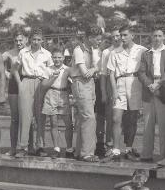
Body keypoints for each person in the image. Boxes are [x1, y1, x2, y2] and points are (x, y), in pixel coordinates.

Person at [107, 25, 147, 159]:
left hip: (135, 83)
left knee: (132, 119)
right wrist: (114, 91)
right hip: (120, 83)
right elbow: (111, 74)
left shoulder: (142, 50)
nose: (122, 38)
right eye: (121, 35)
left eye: (125, 35)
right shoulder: (114, 52)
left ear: (132, 36)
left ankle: (129, 149)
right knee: (116, 118)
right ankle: (116, 150)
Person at [139, 28, 165, 164]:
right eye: (154, 35)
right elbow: (141, 72)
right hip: (149, 91)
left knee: (164, 125)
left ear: (164, 37)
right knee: (148, 124)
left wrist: (159, 83)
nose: (157, 38)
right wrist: (150, 85)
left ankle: (164, 155)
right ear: (151, 37)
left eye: (160, 36)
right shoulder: (146, 54)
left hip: (163, 90)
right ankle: (147, 154)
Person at [17, 30, 53, 157]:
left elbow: (52, 70)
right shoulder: (23, 52)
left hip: (41, 83)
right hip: (26, 82)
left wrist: (47, 82)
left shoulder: (47, 54)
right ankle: (22, 147)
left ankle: (40, 147)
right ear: (30, 40)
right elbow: (15, 70)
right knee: (25, 117)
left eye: (39, 39)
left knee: (40, 116)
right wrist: (20, 84)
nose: (36, 42)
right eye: (34, 39)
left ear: (42, 40)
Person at [68, 28, 100, 162]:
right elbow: (84, 72)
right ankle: (87, 153)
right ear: (89, 37)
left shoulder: (93, 50)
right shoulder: (78, 49)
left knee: (83, 118)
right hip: (80, 83)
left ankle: (79, 151)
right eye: (97, 38)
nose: (99, 41)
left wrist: (94, 69)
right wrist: (94, 69)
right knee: (89, 117)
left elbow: (96, 69)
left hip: (90, 84)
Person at [39, 49, 73, 157]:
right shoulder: (48, 69)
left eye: (59, 57)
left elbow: (73, 83)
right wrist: (53, 77)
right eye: (55, 57)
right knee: (54, 123)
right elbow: (44, 85)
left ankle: (69, 149)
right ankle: (56, 148)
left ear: (63, 58)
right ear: (52, 58)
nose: (57, 60)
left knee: (68, 124)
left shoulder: (68, 69)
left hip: (63, 95)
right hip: (51, 93)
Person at [4, 33, 28, 156]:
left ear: (26, 40)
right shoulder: (9, 53)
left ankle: (29, 148)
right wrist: (6, 73)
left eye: (21, 40)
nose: (18, 43)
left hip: (27, 82)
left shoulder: (29, 51)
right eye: (16, 40)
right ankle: (13, 148)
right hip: (14, 85)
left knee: (28, 118)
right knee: (15, 118)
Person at [99, 29, 121, 154]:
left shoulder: (125, 50)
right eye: (114, 36)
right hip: (109, 83)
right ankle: (109, 144)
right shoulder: (107, 52)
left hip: (122, 82)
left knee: (122, 118)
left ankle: (121, 146)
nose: (116, 38)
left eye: (118, 36)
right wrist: (103, 92)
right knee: (111, 117)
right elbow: (103, 74)